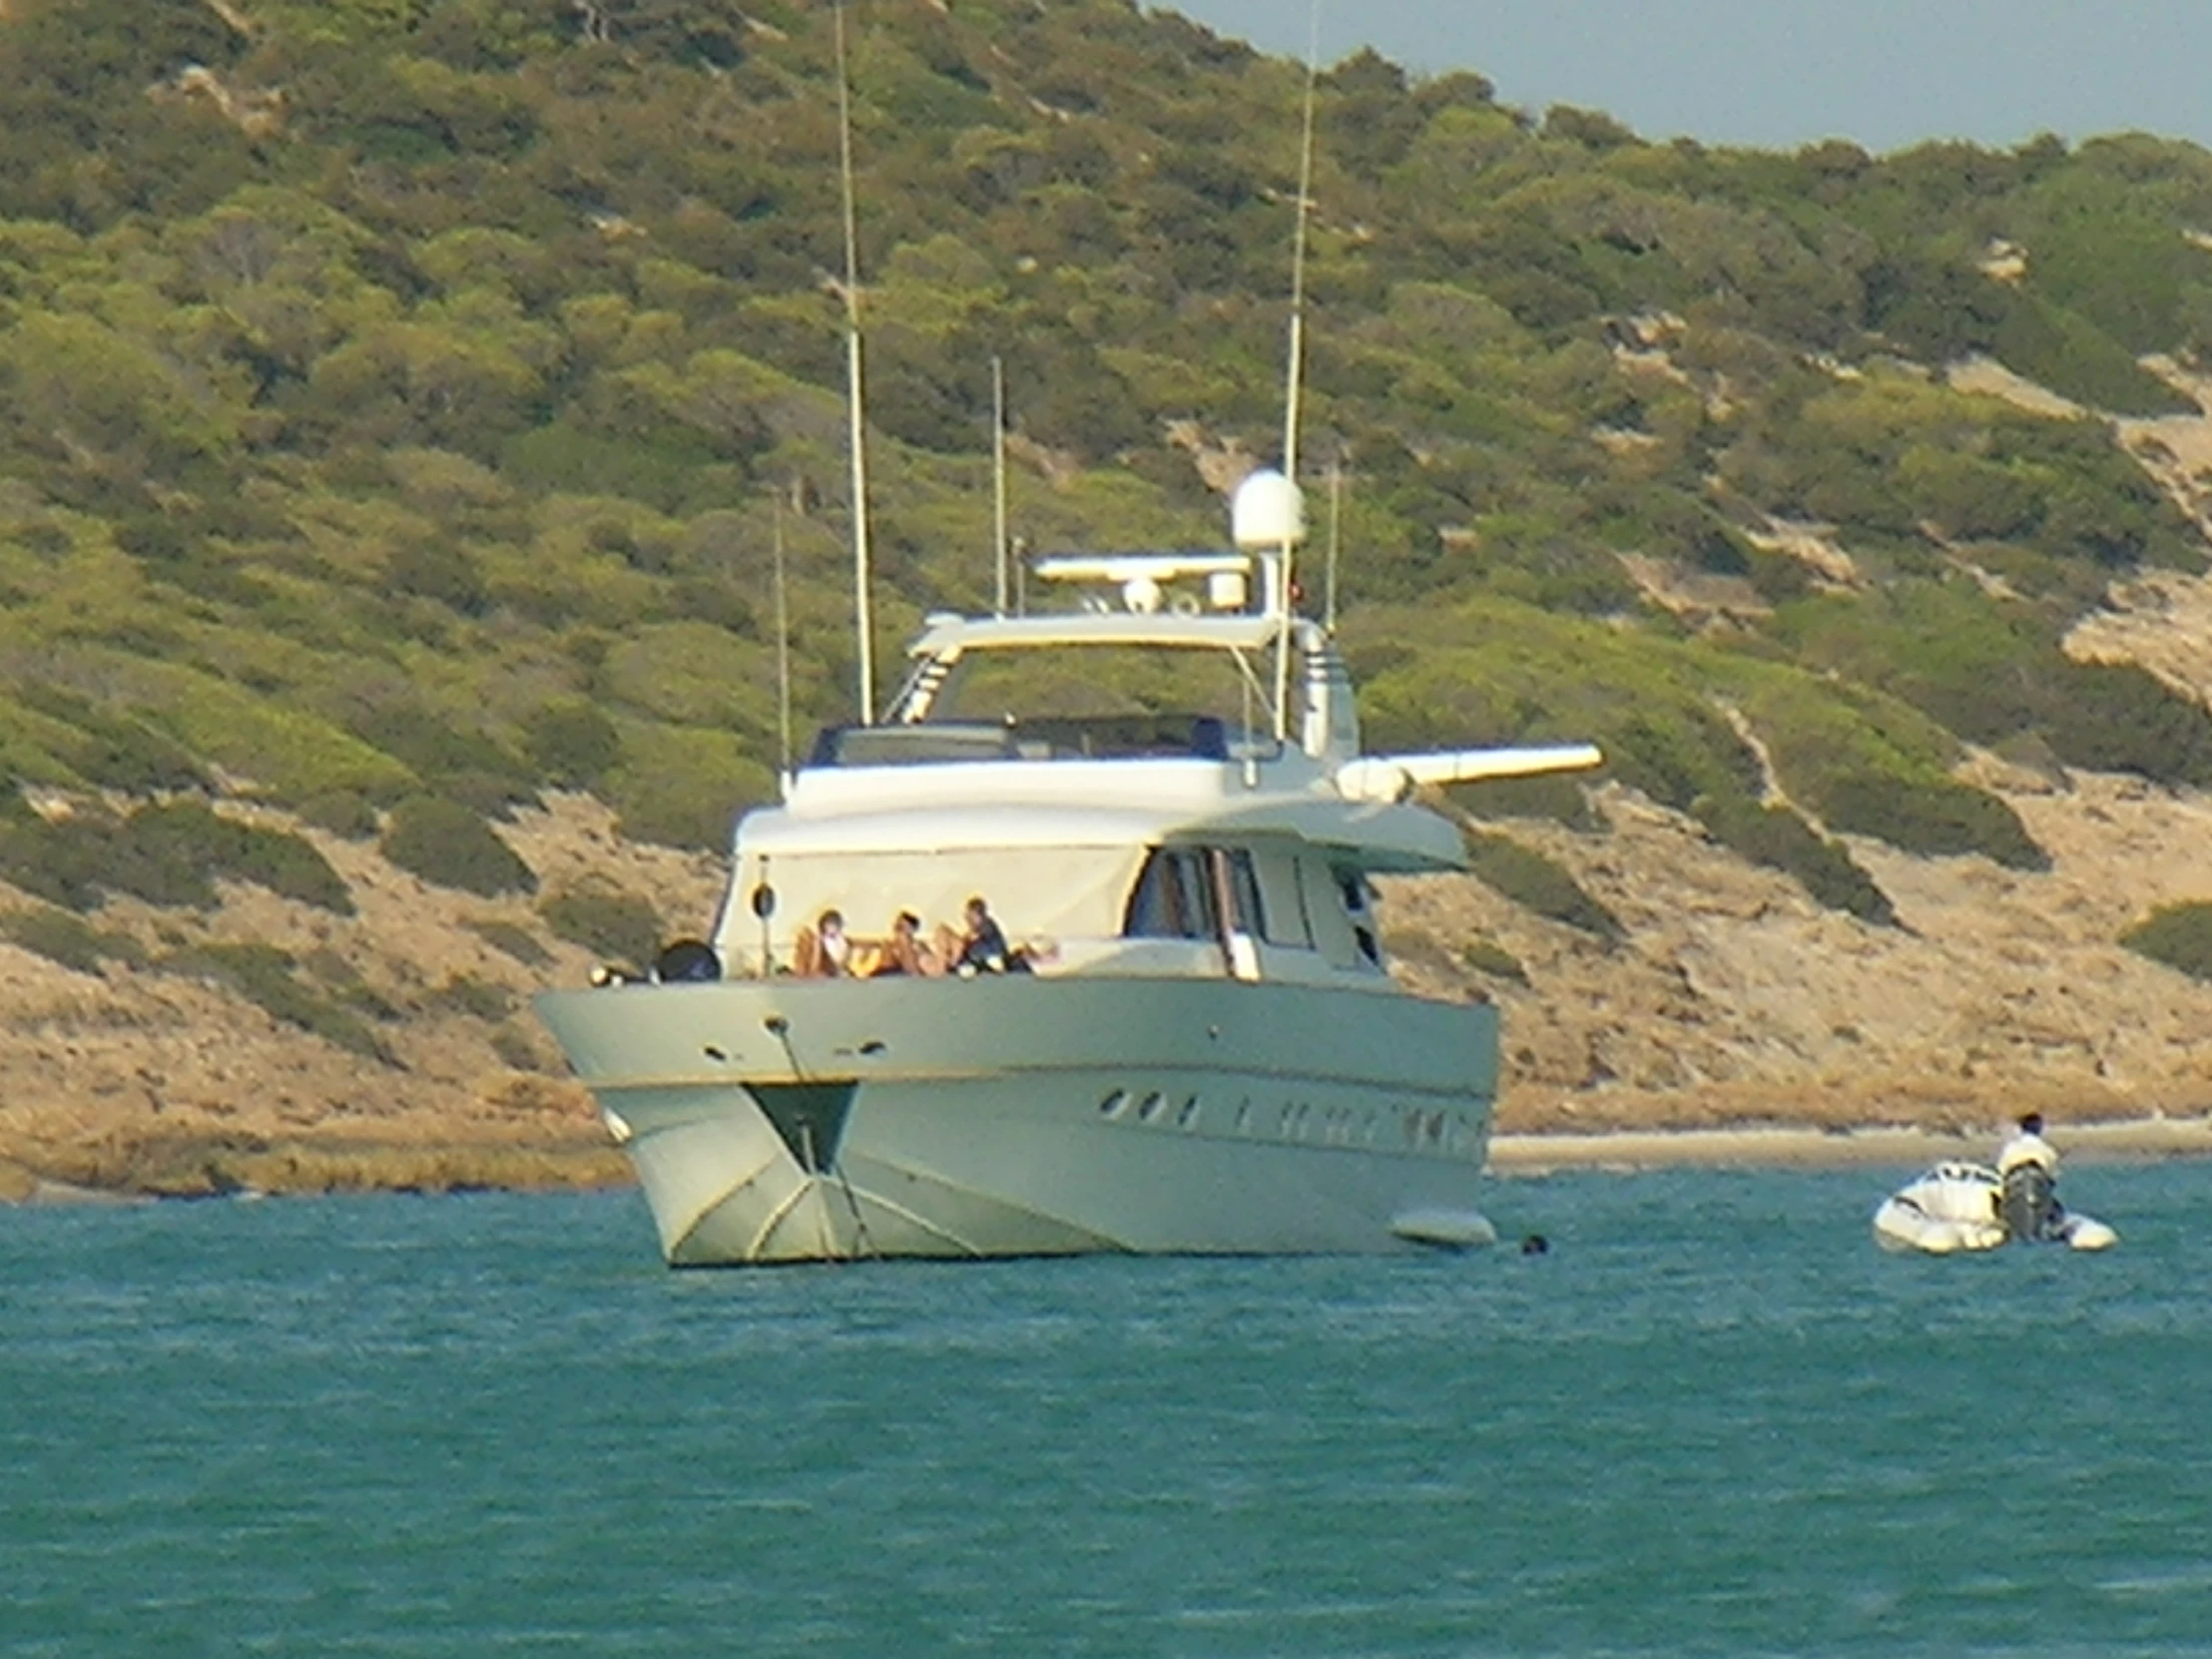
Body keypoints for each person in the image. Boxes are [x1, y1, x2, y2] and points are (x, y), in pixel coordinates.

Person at [1994, 1111, 2061, 1241]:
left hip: (2015, 1179)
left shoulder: (2011, 1148)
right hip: (2038, 1179)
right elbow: (2053, 1176)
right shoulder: (2046, 1149)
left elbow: (2001, 1171)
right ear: (2040, 1129)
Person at [951, 894, 1026, 975]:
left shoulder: (987, 928)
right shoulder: (979, 930)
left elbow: (972, 940)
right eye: (967, 917)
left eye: (970, 917)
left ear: (978, 915)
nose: (968, 921)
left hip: (991, 962)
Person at [868, 910, 942, 978]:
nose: (898, 932)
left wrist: (904, 942)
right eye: (898, 927)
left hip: (908, 978)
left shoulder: (919, 947)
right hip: (886, 976)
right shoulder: (887, 945)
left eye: (902, 928)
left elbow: (915, 972)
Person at [795, 908, 851, 977]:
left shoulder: (842, 941)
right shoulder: (818, 940)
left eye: (832, 925)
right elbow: (813, 967)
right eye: (828, 924)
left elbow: (841, 961)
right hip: (820, 975)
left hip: (832, 975)